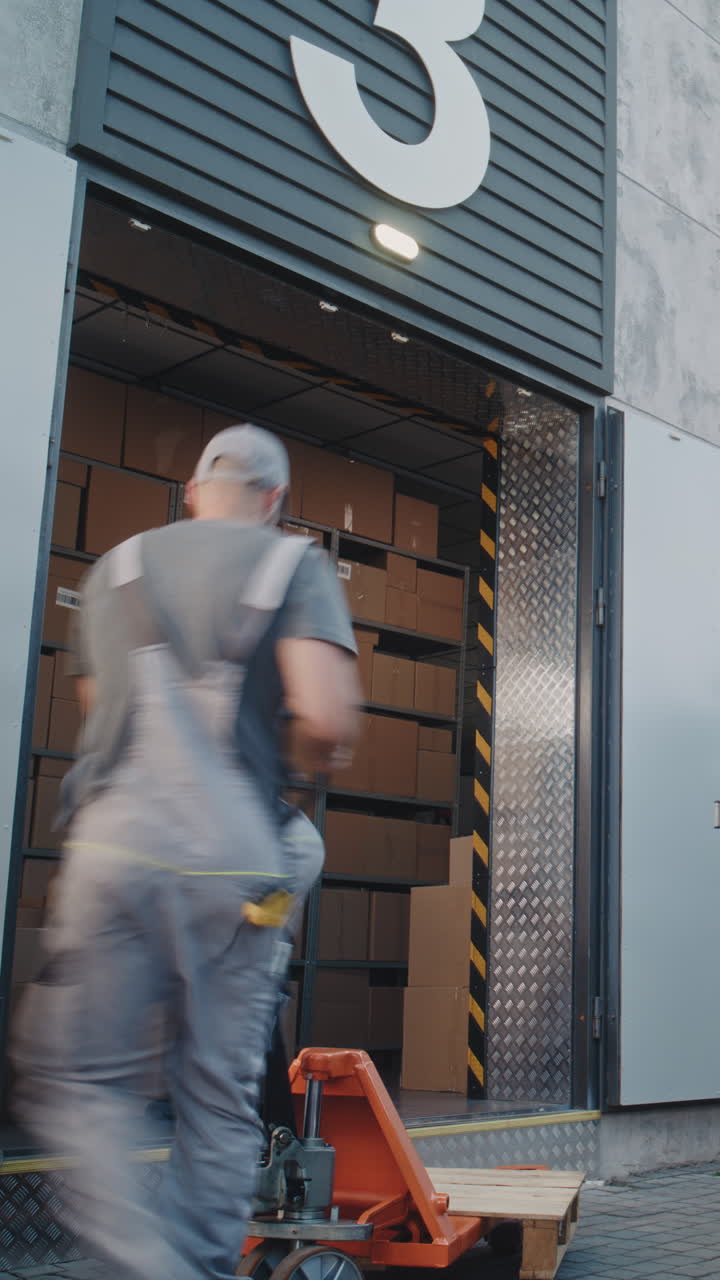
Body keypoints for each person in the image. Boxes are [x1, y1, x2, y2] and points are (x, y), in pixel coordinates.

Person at [12, 424, 360, 1280]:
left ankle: (134, 1260)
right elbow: (323, 718)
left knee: (82, 1085)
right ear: (274, 501)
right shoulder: (292, 566)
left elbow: (100, 714)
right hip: (229, 862)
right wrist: (316, 754)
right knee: (217, 1095)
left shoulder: (117, 568)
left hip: (113, 850)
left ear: (195, 491)